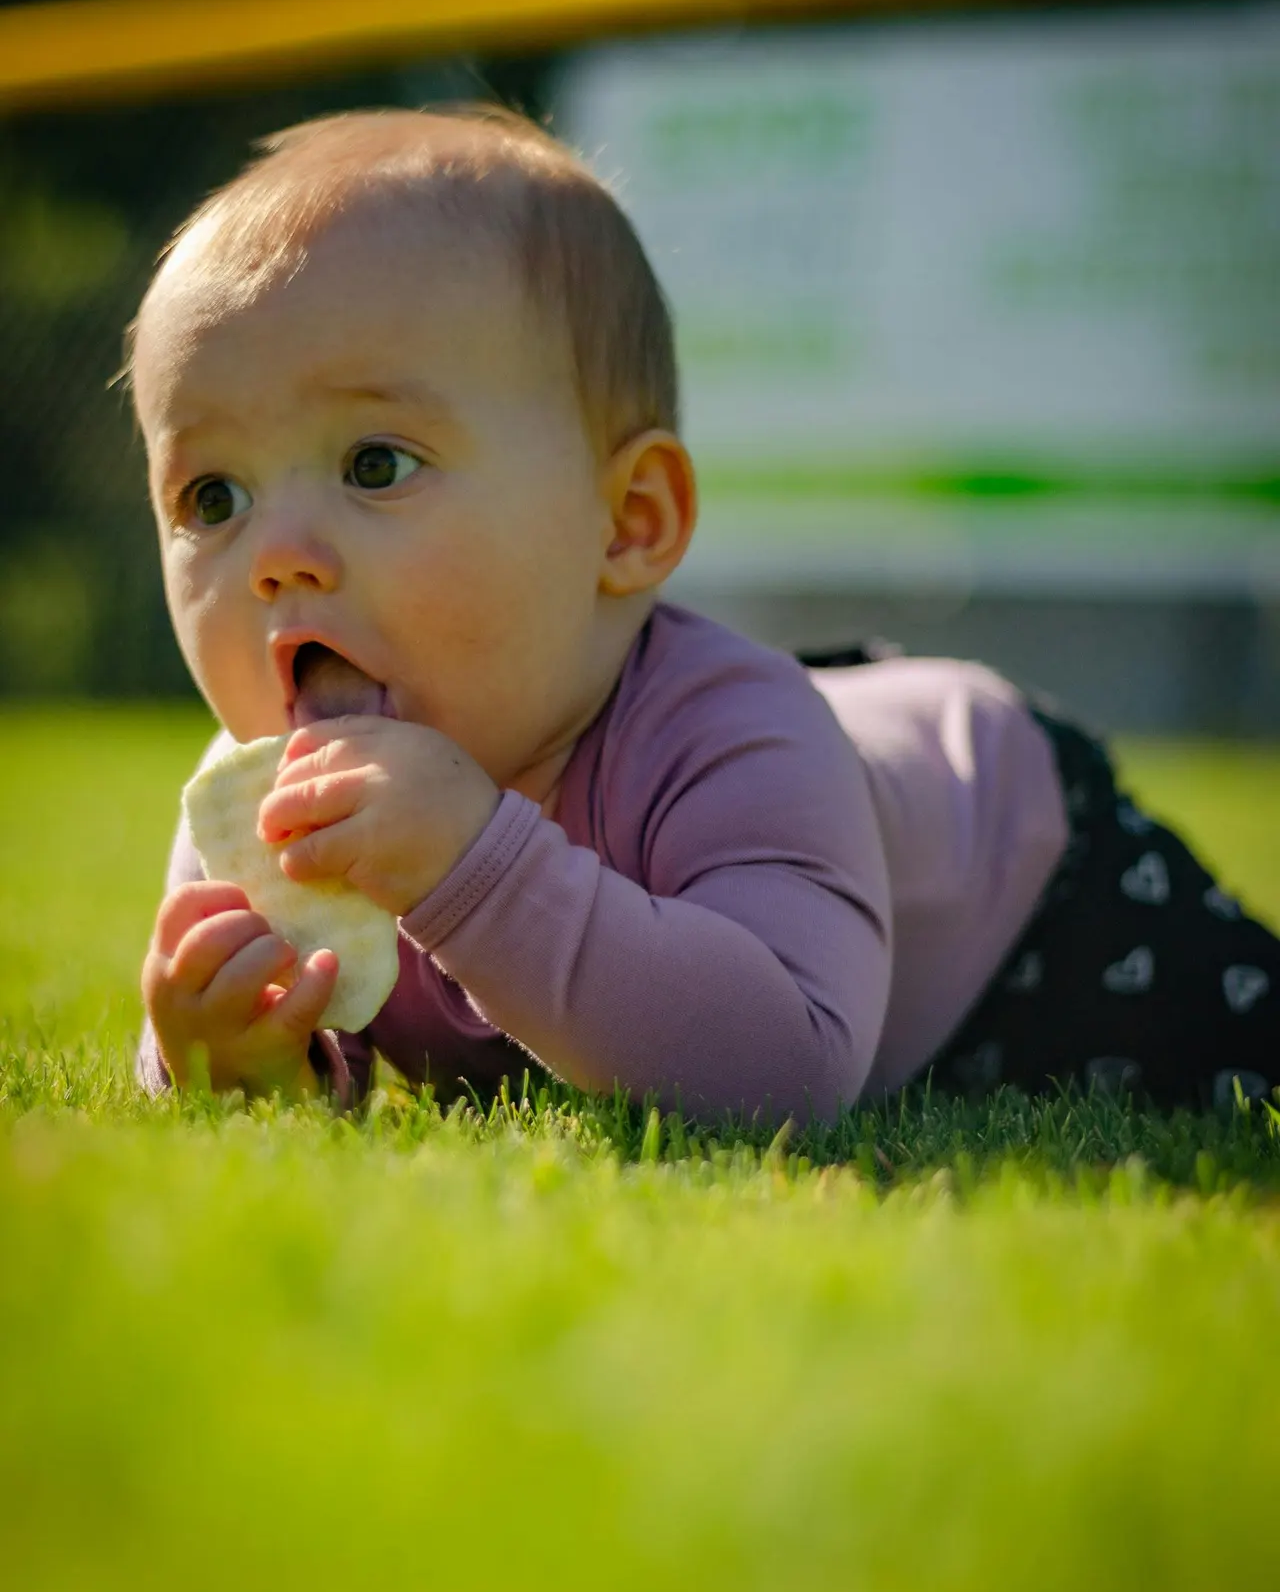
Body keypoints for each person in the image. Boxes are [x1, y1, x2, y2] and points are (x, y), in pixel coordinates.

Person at [134, 106, 1278, 1121]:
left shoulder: (732, 739)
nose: (272, 559)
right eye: (212, 497)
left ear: (626, 522)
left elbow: (784, 1072)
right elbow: (256, 1051)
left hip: (1026, 886)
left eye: (375, 463)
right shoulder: (247, 805)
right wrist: (224, 1049)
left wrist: (471, 867)